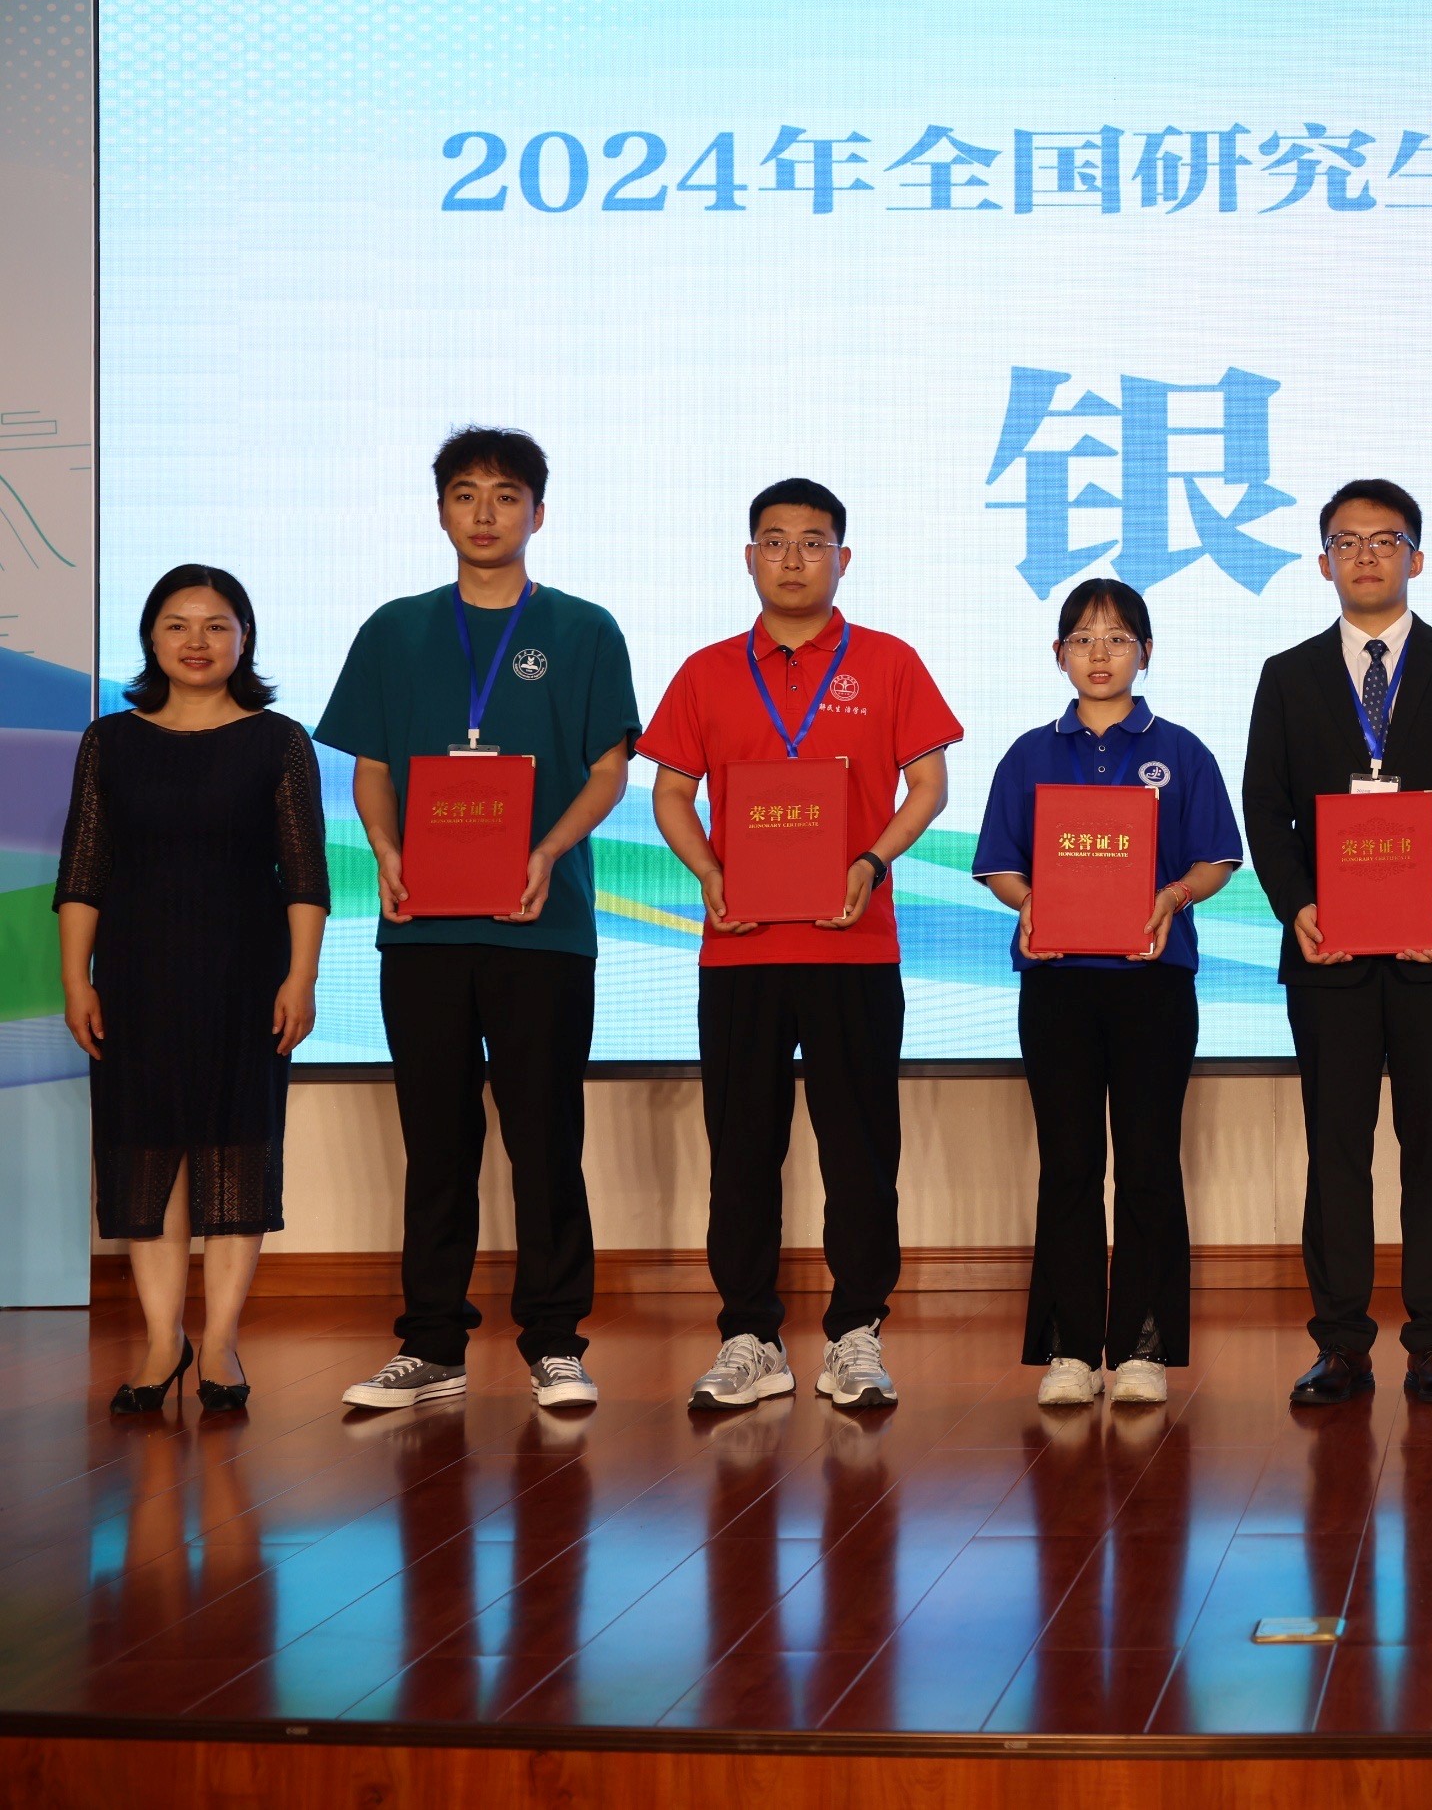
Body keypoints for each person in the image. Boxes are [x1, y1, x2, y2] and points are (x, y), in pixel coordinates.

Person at [321, 429, 640, 1412]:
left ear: (538, 512)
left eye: (506, 495)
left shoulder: (584, 629)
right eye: (465, 494)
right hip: (422, 926)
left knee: (545, 1138)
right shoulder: (394, 630)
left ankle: (554, 1341)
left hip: (542, 923)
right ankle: (431, 1344)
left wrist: (547, 852)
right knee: (436, 1140)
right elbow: (373, 767)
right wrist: (385, 850)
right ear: (441, 512)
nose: (486, 512)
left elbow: (608, 769)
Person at [641, 479, 961, 1415]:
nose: (792, 559)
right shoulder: (705, 671)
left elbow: (930, 784)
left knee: (860, 1147)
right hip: (738, 947)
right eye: (774, 541)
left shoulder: (889, 662)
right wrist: (709, 871)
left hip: (853, 943)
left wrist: (872, 859)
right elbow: (670, 792)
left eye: (813, 542)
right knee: (741, 1147)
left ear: (842, 558)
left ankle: (857, 1331)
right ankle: (749, 1335)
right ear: (749, 557)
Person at [1241, 479, 1432, 1409]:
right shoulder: (1286, 674)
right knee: (1336, 1150)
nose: (1365, 554)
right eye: (1345, 541)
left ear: (1416, 558)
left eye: (1384, 539)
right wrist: (1297, 906)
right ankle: (1340, 1345)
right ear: (1322, 561)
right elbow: (1265, 807)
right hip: (1330, 954)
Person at [56, 565, 329, 1415]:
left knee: (235, 1150)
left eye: (217, 624)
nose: (197, 641)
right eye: (177, 624)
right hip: (134, 975)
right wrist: (75, 979)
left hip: (246, 975)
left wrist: (301, 976)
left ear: (245, 638)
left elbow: (305, 874)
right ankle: (160, 1340)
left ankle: (219, 1343)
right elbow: (83, 870)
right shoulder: (109, 740)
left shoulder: (279, 741)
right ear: (151, 637)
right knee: (145, 1154)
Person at [972, 577, 1243, 1408]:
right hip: (1056, 983)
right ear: (1057, 654)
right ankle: (1069, 1348)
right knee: (1069, 1163)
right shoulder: (1028, 754)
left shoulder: (1182, 751)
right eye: (1083, 638)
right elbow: (1000, 864)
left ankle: (1142, 1347)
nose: (1100, 653)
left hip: (1154, 981)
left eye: (1118, 637)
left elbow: (1216, 858)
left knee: (1150, 1161)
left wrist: (1175, 895)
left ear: (1146, 652)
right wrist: (1031, 903)